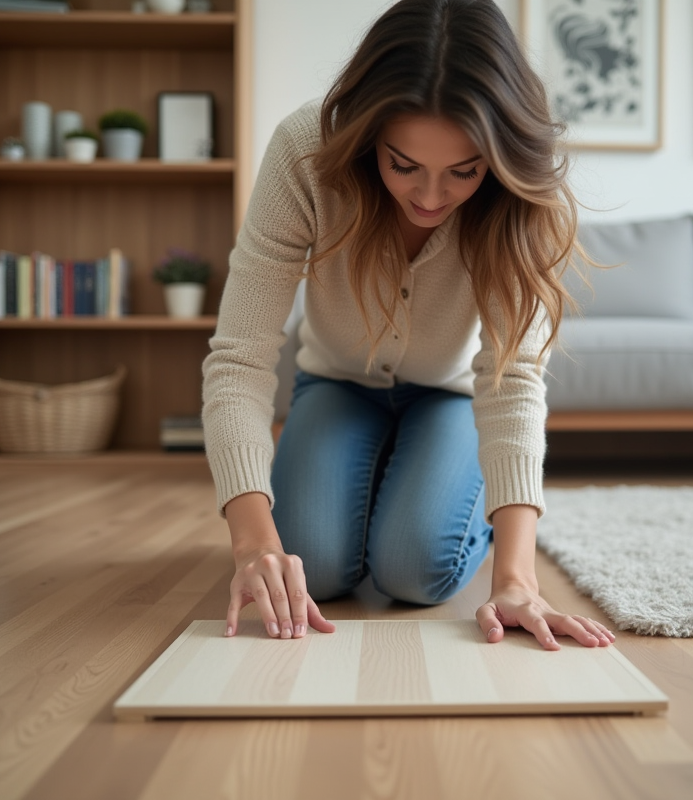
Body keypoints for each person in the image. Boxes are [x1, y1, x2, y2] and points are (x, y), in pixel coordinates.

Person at [201, 0, 614, 651]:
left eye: (464, 171)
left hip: (452, 397)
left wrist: (515, 578)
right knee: (317, 566)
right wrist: (254, 544)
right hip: (336, 384)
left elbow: (512, 382)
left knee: (416, 569)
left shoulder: (524, 193)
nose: (428, 198)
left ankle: (453, 491)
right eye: (403, 165)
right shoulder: (304, 150)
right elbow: (240, 359)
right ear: (367, 137)